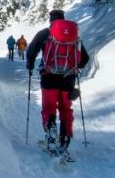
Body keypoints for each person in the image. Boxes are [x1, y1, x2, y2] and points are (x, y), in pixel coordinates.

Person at [26, 9, 90, 151]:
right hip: (68, 79)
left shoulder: (45, 33)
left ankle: (51, 132)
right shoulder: (74, 36)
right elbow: (84, 58)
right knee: (66, 108)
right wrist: (75, 68)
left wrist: (30, 65)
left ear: (50, 20)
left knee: (49, 107)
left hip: (48, 76)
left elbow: (31, 50)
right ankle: (65, 137)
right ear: (63, 19)